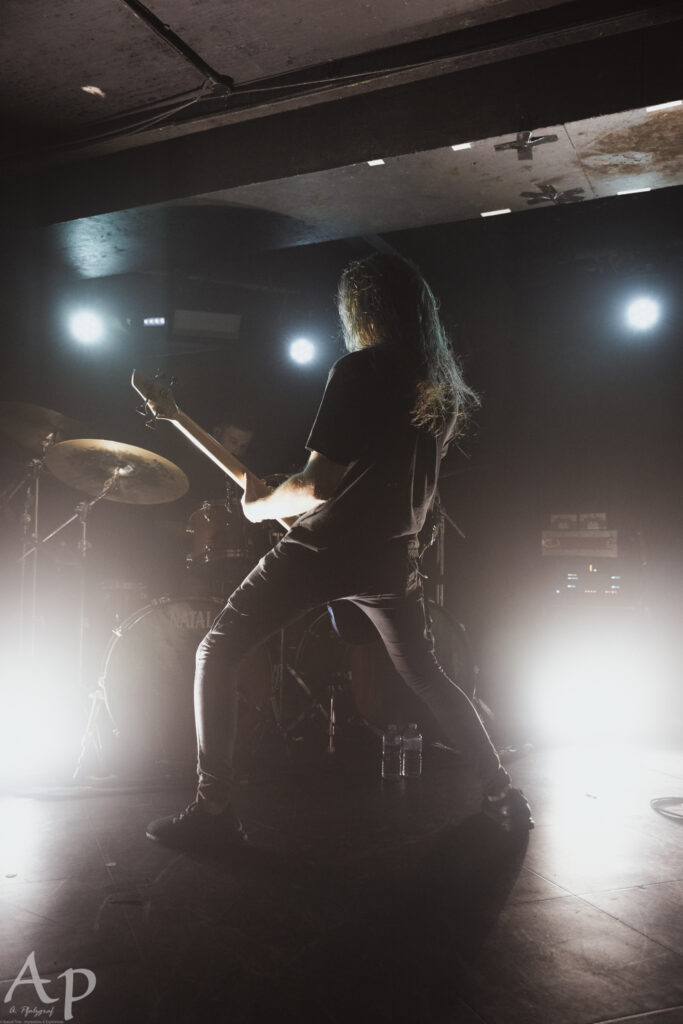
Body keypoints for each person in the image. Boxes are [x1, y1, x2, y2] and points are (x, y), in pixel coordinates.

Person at [146, 253, 533, 847]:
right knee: (428, 675)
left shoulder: (360, 369)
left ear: (362, 310)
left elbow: (317, 486)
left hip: (325, 548)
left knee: (217, 650)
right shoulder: (439, 388)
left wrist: (260, 507)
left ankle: (213, 808)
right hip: (394, 556)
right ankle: (503, 794)